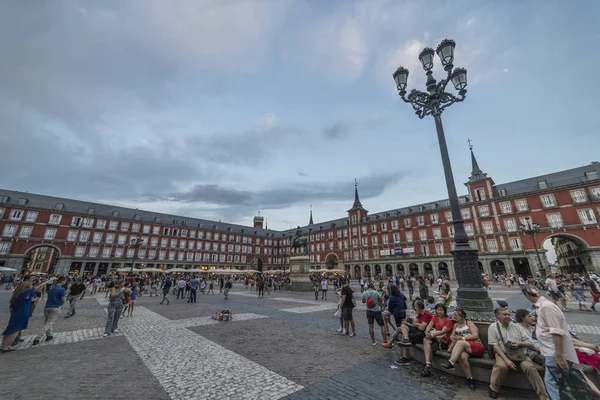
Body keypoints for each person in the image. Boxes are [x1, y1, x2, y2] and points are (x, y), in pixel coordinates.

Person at [521, 285, 579, 400]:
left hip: (554, 352)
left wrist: (559, 356)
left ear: (527, 295)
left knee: (552, 382)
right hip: (550, 351)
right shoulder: (541, 306)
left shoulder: (546, 307)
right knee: (557, 382)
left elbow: (556, 332)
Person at [487, 305, 548, 400]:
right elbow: (495, 346)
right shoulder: (493, 327)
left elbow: (529, 342)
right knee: (500, 366)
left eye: (508, 314)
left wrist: (520, 344)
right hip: (503, 354)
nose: (507, 316)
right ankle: (493, 388)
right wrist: (506, 360)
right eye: (504, 314)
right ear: (498, 316)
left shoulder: (516, 327)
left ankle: (543, 396)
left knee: (530, 368)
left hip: (519, 354)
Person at [1, 277, 51, 352]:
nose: (32, 287)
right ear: (27, 288)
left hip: (17, 313)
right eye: (30, 286)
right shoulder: (25, 293)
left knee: (10, 328)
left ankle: (3, 345)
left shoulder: (20, 294)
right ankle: (7, 346)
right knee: (15, 330)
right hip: (22, 313)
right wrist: (50, 280)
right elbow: (38, 287)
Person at [441, 308, 484, 390]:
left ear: (462, 316)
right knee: (462, 357)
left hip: (476, 346)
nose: (454, 317)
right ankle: (470, 379)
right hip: (464, 348)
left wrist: (461, 337)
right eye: (454, 315)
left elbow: (475, 336)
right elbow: (452, 336)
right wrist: (452, 338)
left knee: (460, 342)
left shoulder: (469, 323)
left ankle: (451, 362)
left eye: (456, 315)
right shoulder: (455, 325)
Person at [389, 300, 432, 366]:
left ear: (418, 307)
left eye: (415, 306)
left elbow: (421, 328)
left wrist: (414, 323)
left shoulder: (427, 314)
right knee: (403, 327)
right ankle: (406, 342)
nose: (414, 308)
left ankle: (405, 356)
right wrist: (413, 322)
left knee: (402, 330)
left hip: (421, 333)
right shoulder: (419, 314)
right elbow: (414, 323)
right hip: (416, 330)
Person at [420, 304, 454, 377]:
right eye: (438, 310)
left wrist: (432, 335)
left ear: (444, 311)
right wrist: (427, 331)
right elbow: (429, 325)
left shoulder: (449, 321)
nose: (439, 312)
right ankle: (428, 364)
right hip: (435, 337)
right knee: (425, 340)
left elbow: (443, 331)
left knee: (428, 343)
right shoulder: (435, 317)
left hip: (444, 340)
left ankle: (428, 366)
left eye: (441, 310)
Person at [33, 277, 67, 346]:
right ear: (63, 281)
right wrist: (62, 305)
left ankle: (49, 335)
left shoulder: (51, 288)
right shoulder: (62, 289)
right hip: (56, 307)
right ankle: (38, 337)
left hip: (47, 307)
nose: (65, 282)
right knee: (48, 323)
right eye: (65, 281)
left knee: (47, 322)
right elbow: (63, 299)